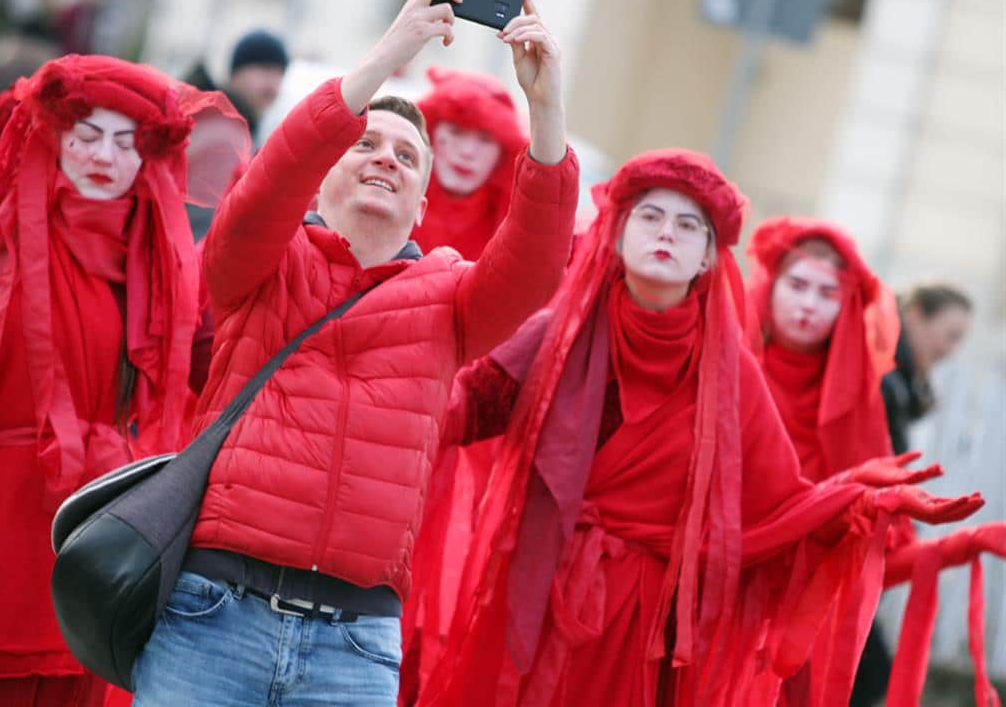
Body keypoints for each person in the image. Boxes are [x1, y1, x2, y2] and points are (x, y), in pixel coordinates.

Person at [129, 0, 578, 706]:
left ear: (422, 200)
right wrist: (385, 56)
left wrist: (546, 105)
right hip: (212, 618)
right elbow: (264, 189)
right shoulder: (262, 261)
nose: (385, 160)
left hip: (355, 649)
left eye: (407, 157)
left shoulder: (450, 298)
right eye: (366, 142)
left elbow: (535, 265)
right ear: (321, 170)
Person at [415, 150, 983, 707]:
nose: (668, 233)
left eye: (690, 225)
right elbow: (458, 409)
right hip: (532, 602)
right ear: (616, 232)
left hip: (642, 632)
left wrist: (863, 503)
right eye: (651, 216)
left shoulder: (730, 373)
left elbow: (779, 508)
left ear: (710, 257)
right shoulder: (557, 336)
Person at [0, 54, 246, 705]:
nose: (105, 156)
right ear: (51, 136)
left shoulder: (165, 277)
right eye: (87, 135)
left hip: (84, 550)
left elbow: (218, 376)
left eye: (126, 142)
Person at [745, 217, 1004, 707]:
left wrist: (957, 544)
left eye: (827, 292)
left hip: (803, 607)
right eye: (797, 285)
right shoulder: (734, 372)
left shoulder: (862, 397)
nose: (807, 305)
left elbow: (870, 538)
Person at [399, 65, 530, 703]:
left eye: (481, 140)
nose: (463, 151)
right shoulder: (388, 198)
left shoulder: (519, 231)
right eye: (451, 132)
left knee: (443, 604)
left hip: (472, 446)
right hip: (384, 422)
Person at [410, 66, 528, 260]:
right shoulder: (390, 188)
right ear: (430, 133)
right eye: (455, 131)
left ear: (502, 155)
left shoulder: (517, 219)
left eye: (485, 139)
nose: (467, 152)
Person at [185, 29, 289, 240]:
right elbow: (203, 224)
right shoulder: (225, 134)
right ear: (236, 73)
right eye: (265, 71)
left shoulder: (231, 125)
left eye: (280, 75)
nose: (273, 87)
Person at [882, 281, 973, 456]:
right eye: (952, 335)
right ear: (915, 315)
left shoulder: (900, 383)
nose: (951, 350)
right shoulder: (884, 381)